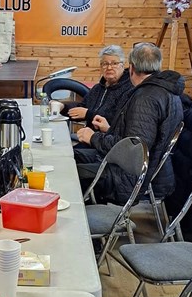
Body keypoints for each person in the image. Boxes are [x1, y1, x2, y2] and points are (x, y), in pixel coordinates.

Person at [75, 43, 184, 205]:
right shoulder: (167, 91)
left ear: (131, 68)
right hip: (143, 171)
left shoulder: (145, 99)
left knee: (71, 171)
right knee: (72, 156)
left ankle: (80, 217)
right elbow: (139, 137)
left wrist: (93, 138)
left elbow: (132, 151)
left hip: (128, 179)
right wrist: (109, 129)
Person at [63, 44, 133, 128]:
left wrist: (88, 114)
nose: (109, 67)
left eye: (114, 63)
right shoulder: (97, 89)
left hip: (108, 136)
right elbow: (81, 108)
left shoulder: (129, 89)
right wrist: (63, 107)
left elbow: (118, 119)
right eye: (105, 64)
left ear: (123, 65)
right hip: (88, 134)